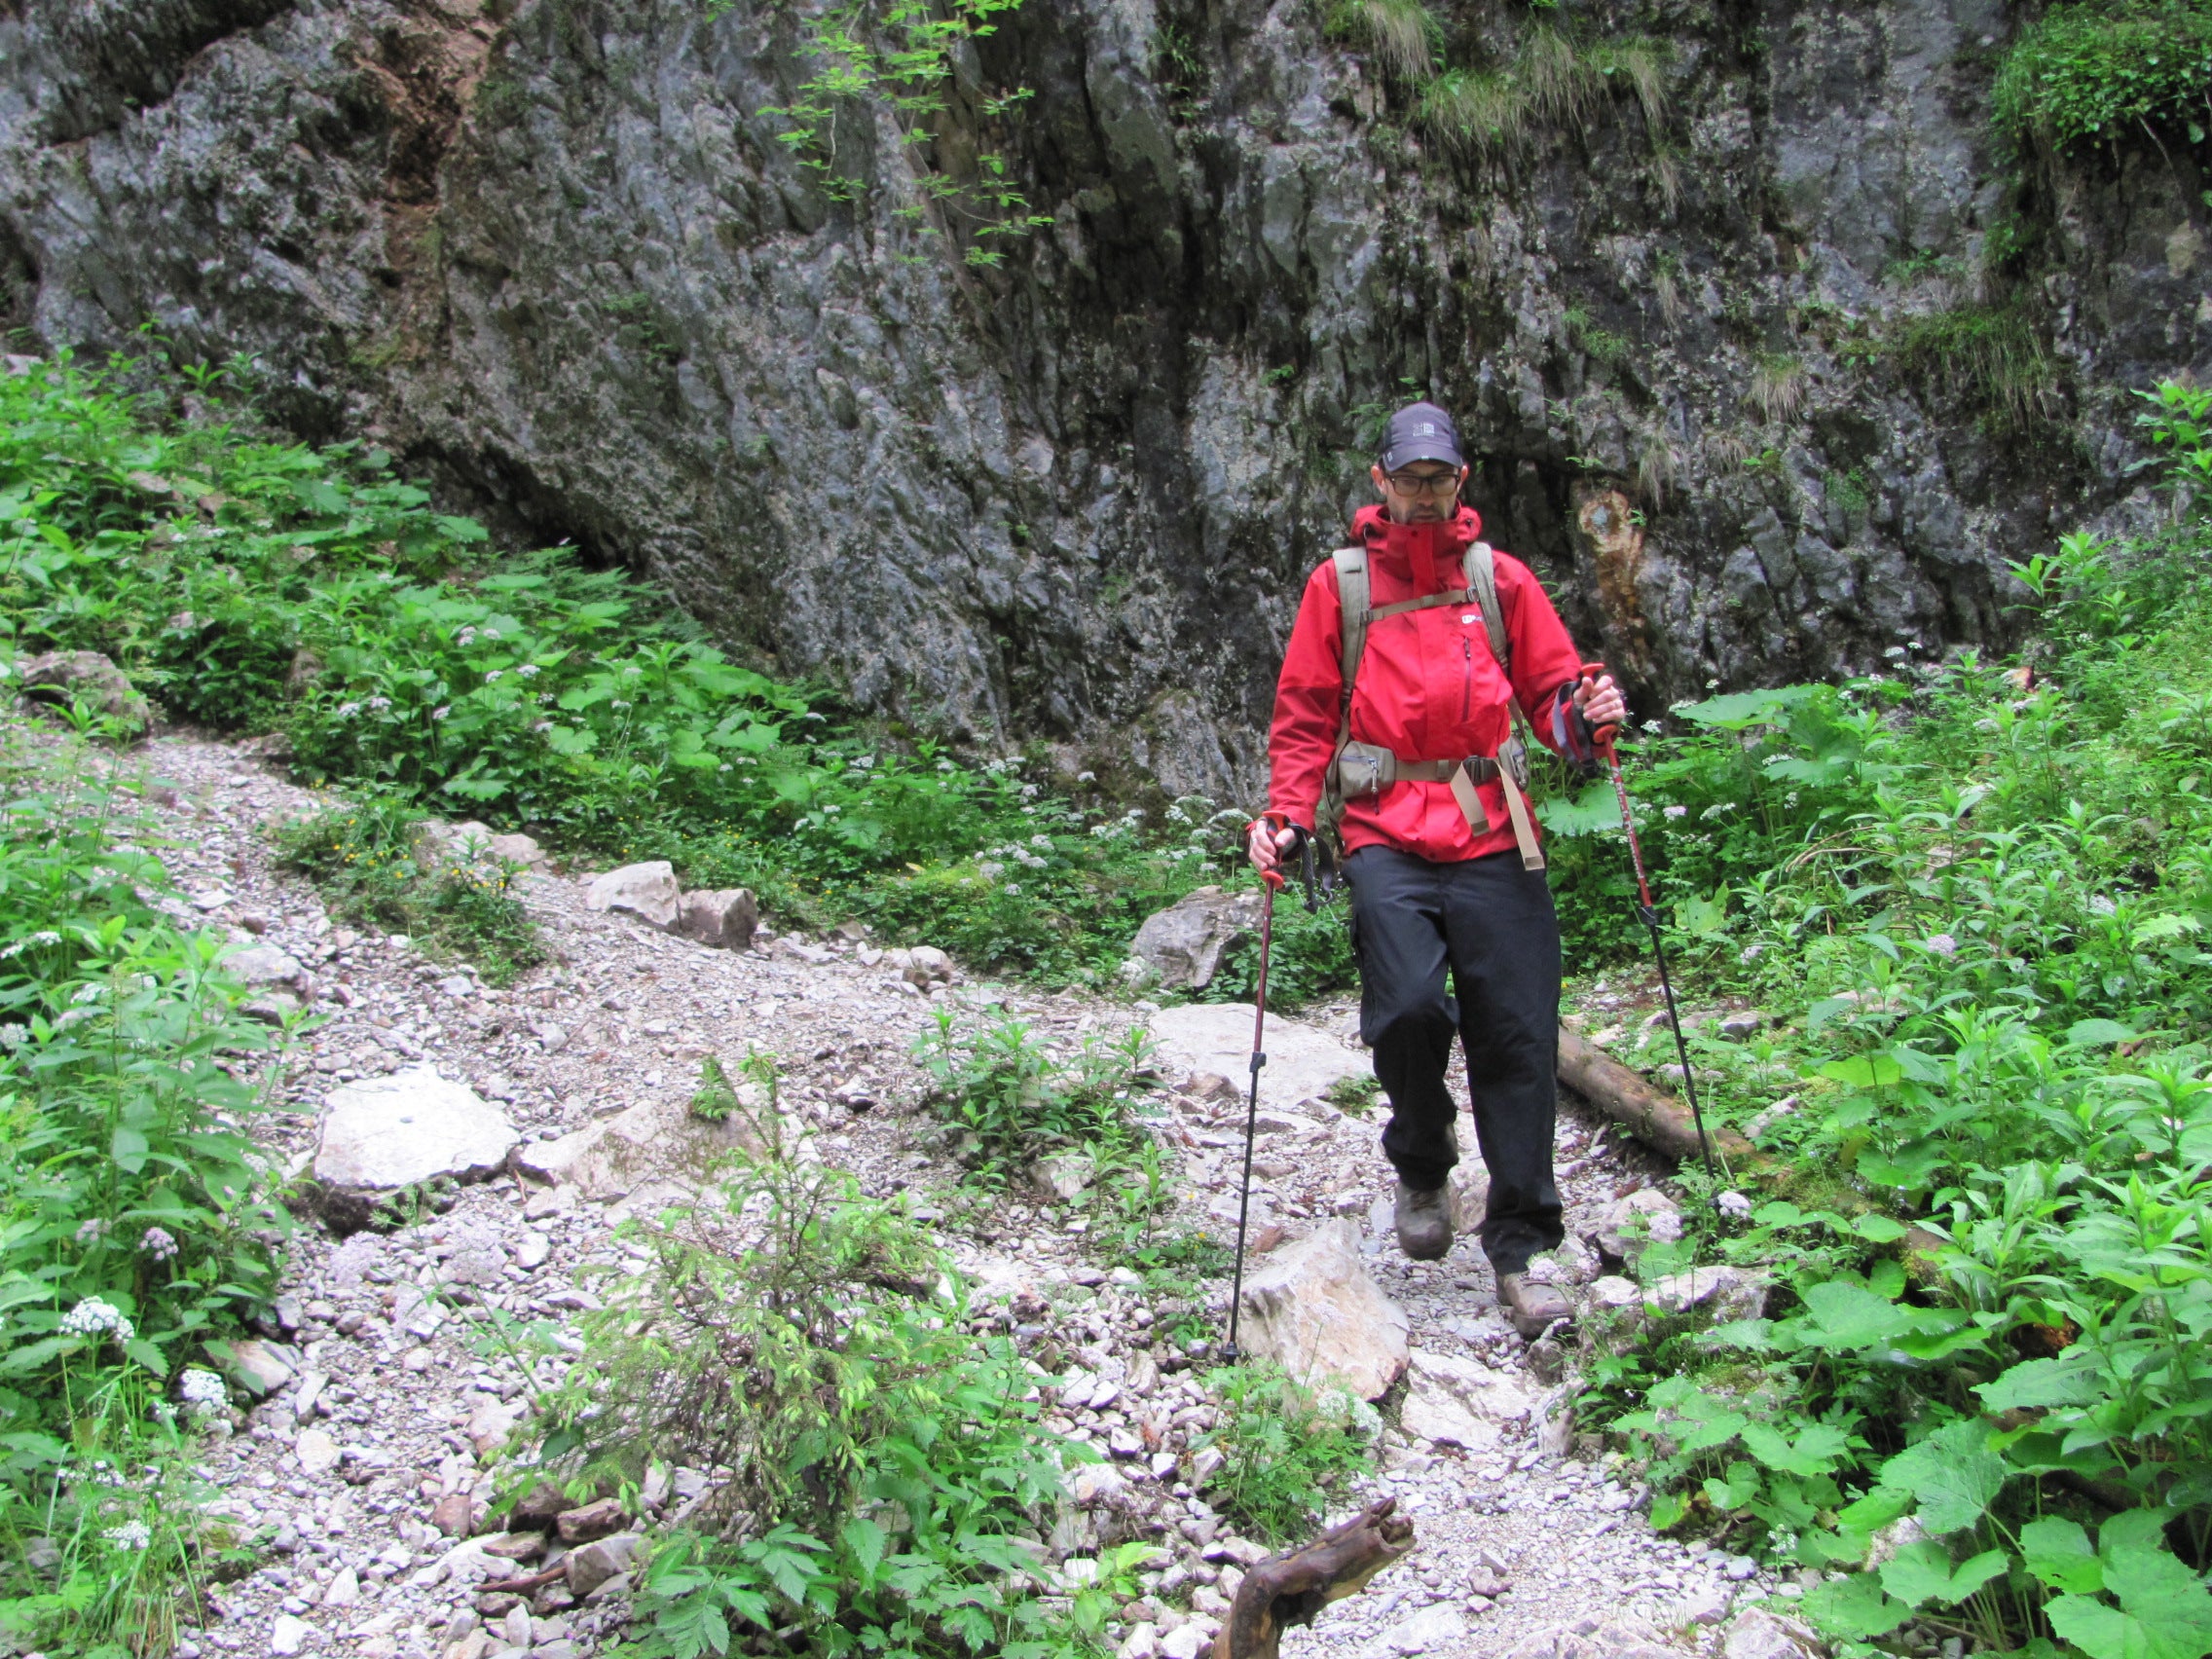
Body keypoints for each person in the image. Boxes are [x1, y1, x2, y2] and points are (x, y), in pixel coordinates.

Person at [1247, 400, 1627, 1340]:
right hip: (1383, 828)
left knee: (1518, 1034)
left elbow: (1552, 699)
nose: (1424, 493)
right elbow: (1303, 715)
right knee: (1409, 1007)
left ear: (1462, 482)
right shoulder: (1338, 586)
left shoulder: (1499, 579)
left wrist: (1590, 716)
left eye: (1439, 478)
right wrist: (1288, 819)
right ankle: (1423, 1159)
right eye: (1408, 477)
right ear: (1380, 480)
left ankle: (1524, 1249)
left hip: (1498, 829)